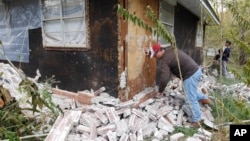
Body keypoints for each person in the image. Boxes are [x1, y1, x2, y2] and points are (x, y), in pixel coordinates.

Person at [152, 43, 211, 128]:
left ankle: (197, 120)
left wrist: (160, 91)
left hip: (190, 75)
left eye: (155, 55)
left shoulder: (165, 59)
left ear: (160, 51)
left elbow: (164, 78)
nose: (155, 57)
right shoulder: (170, 49)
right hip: (195, 70)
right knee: (189, 92)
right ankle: (204, 99)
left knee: (190, 98)